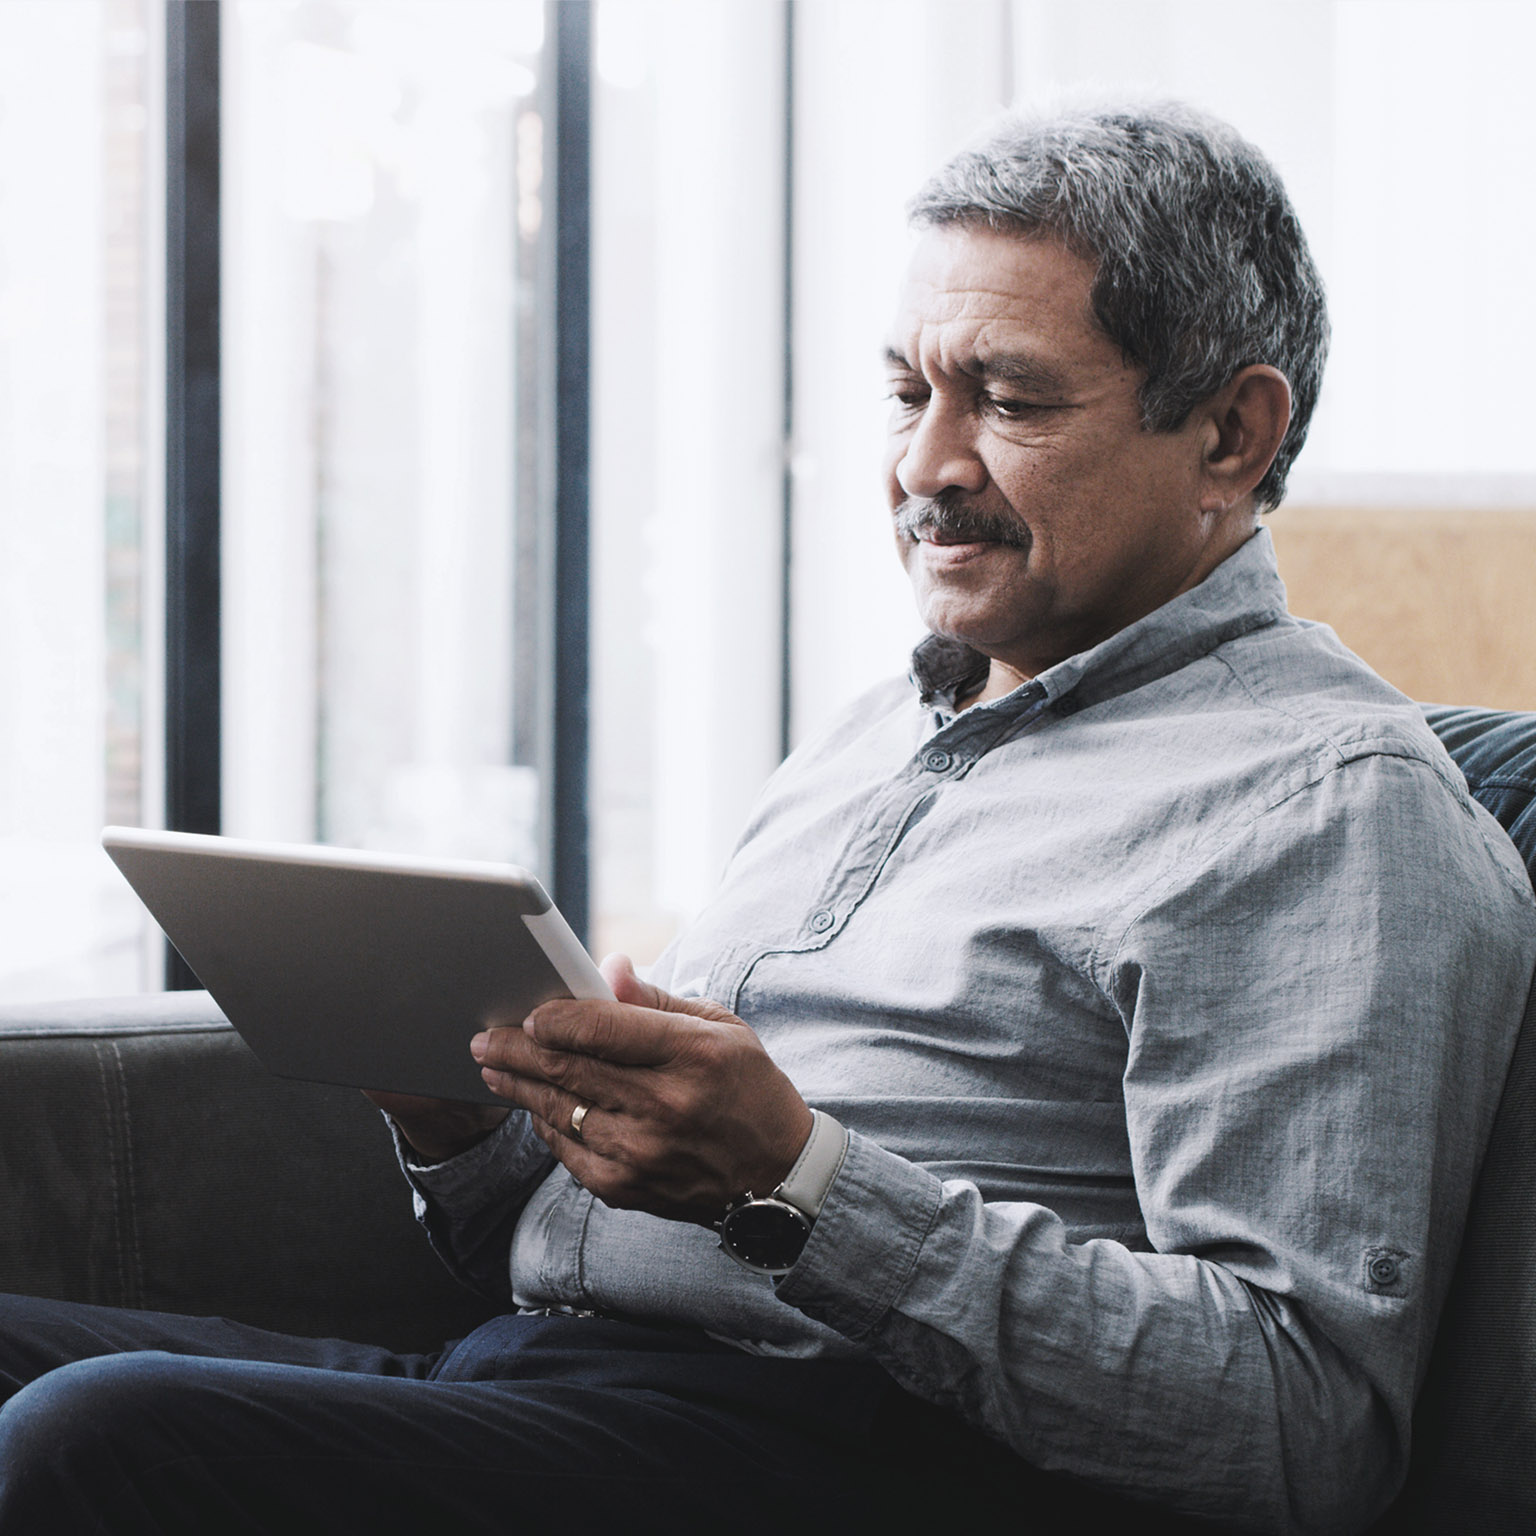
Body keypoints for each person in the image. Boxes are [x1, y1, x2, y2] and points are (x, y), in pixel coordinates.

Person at [1, 101, 1532, 1536]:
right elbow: (577, 1260)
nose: (926, 466)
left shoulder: (1327, 811)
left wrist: (797, 1182)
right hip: (562, 1389)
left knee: (90, 1439)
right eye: (907, 391)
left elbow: (1302, 1422)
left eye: (1007, 401)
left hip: (856, 1460)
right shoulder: (882, 734)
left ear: (1229, 437)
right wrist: (473, 1131)